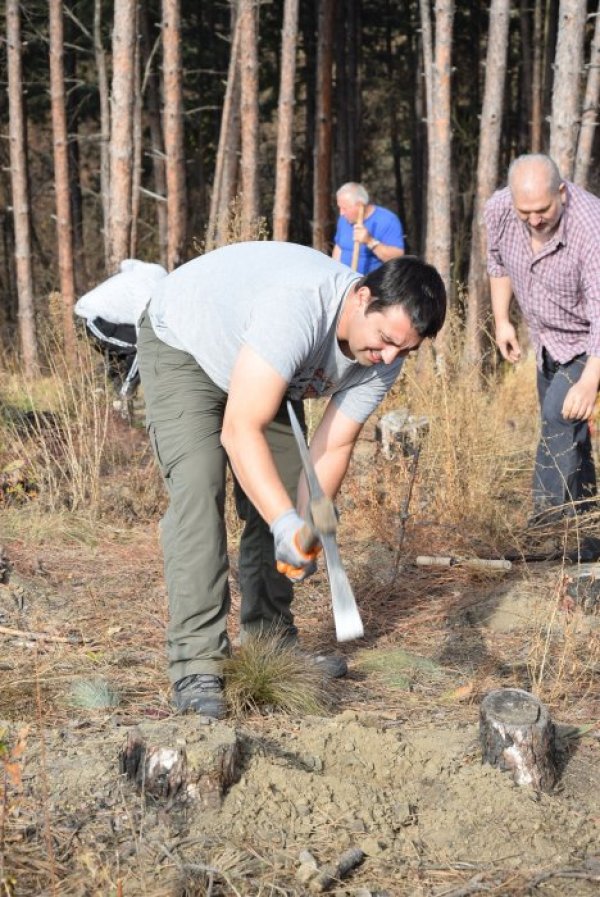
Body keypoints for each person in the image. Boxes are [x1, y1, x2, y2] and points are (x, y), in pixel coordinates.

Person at [137, 241, 446, 718]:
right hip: (187, 344)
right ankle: (197, 662)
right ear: (363, 297)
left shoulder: (387, 357)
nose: (387, 357)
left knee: (279, 493)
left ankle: (271, 643)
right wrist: (284, 521)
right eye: (385, 339)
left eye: (404, 349)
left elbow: (334, 444)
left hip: (265, 371)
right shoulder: (298, 309)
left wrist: (301, 522)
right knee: (200, 490)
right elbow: (240, 431)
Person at [484, 154, 600, 545]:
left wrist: (589, 383)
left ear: (562, 193)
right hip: (546, 337)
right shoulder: (499, 210)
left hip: (588, 339)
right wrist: (503, 320)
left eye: (543, 209)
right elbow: (497, 263)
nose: (534, 219)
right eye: (525, 211)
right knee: (570, 429)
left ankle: (545, 527)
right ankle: (587, 518)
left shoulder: (590, 225)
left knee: (559, 415)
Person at [74, 259, 167, 400]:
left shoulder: (140, 277)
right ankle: (123, 399)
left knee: (122, 359)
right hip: (92, 319)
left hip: (98, 319)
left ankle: (100, 394)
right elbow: (143, 325)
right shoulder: (148, 286)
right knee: (142, 349)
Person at [332, 182, 405, 274]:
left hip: (372, 284)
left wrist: (370, 241)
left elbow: (397, 259)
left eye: (344, 208)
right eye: (339, 208)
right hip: (345, 282)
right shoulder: (344, 220)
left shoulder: (388, 220)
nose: (341, 213)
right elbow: (339, 248)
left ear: (359, 205)